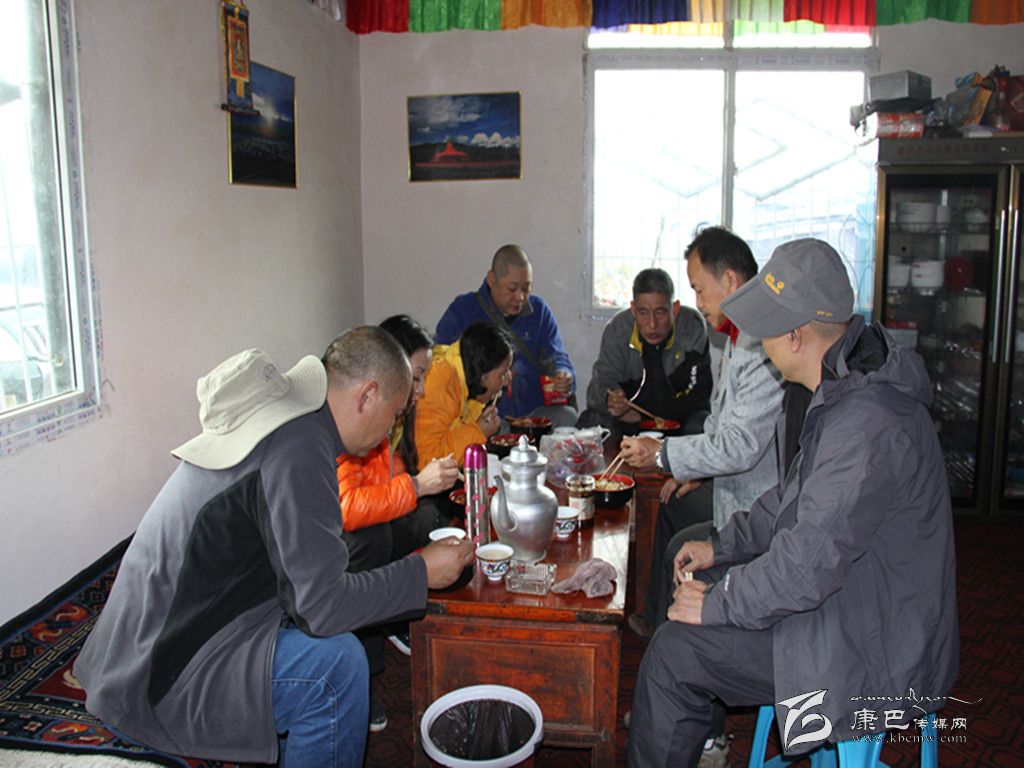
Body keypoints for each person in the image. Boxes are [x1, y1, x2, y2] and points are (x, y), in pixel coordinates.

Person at [74, 328, 475, 768]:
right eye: (395, 415)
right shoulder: (298, 445)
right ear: (367, 396)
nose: (388, 434)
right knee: (337, 669)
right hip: (157, 676)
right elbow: (322, 610)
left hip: (134, 647)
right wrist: (421, 571)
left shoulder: (293, 423)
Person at [626, 239, 959, 768]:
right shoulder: (847, 386)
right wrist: (719, 547)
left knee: (673, 654)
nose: (759, 342)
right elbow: (792, 498)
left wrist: (718, 602)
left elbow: (806, 569)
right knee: (695, 579)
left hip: (871, 645)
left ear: (796, 336)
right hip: (850, 601)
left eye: (767, 329)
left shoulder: (864, 424)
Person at [337, 315, 460, 732]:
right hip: (348, 537)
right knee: (374, 541)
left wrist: (419, 484)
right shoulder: (352, 421)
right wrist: (417, 486)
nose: (420, 390)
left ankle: (400, 616)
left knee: (434, 515)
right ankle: (365, 675)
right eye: (417, 377)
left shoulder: (392, 417)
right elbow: (348, 507)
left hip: (376, 516)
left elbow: (390, 475)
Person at [434, 244, 577, 427]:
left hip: (533, 416)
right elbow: (441, 366)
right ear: (491, 279)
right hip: (485, 416)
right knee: (488, 430)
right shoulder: (463, 311)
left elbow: (557, 357)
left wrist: (563, 375)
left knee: (567, 417)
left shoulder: (539, 312)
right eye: (512, 288)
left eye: (526, 288)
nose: (520, 297)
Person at [579, 267, 711, 437]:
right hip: (630, 421)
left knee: (701, 424)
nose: (652, 324)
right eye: (643, 313)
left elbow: (699, 393)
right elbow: (597, 387)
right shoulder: (618, 329)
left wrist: (645, 416)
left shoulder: (692, 326)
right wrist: (610, 401)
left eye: (660, 312)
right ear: (633, 310)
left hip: (680, 420)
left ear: (675, 309)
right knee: (591, 421)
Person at [415, 320, 515, 468]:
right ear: (483, 375)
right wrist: (478, 432)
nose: (507, 381)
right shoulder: (439, 381)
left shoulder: (465, 374)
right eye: (502, 374)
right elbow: (427, 459)